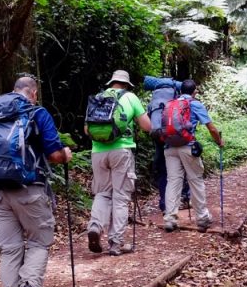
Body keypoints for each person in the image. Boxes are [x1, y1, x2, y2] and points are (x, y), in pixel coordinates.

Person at [0, 76, 72, 287]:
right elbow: (54, 154)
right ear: (33, 93)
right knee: (39, 240)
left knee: (10, 249)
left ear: (14, 91)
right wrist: (66, 155)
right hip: (29, 190)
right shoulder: (37, 113)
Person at [86, 70, 151, 256]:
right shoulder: (130, 97)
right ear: (126, 84)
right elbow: (147, 126)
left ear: (112, 82)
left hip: (98, 151)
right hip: (121, 151)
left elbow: (86, 129)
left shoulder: (98, 98)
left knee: (102, 193)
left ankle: (95, 227)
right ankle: (115, 243)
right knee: (121, 197)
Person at [162, 79, 223, 233]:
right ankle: (202, 218)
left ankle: (170, 218)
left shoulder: (172, 104)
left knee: (173, 182)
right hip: (187, 147)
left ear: (180, 90)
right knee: (195, 180)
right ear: (194, 91)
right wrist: (219, 142)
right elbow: (211, 128)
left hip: (169, 147)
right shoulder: (195, 104)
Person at [142, 74, 190, 212]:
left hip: (158, 136)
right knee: (180, 166)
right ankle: (185, 197)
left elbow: (149, 120)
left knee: (162, 169)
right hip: (174, 136)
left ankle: (163, 203)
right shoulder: (176, 96)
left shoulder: (154, 100)